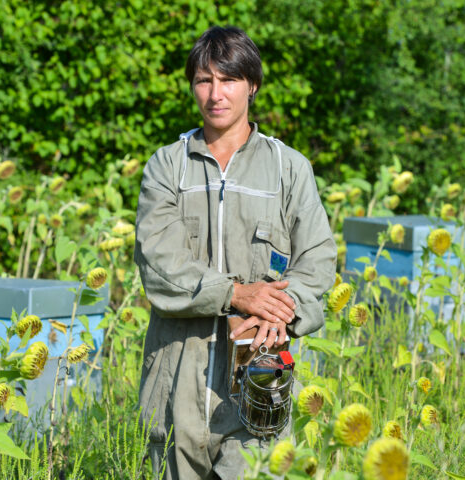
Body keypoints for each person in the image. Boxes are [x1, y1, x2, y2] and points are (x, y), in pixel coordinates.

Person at [134, 25, 336, 479]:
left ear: (252, 85)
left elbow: (318, 259)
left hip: (258, 369)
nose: (215, 93)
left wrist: (278, 312)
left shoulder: (289, 168)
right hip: (176, 375)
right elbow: (157, 264)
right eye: (204, 80)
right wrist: (238, 294)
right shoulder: (168, 165)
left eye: (228, 80)